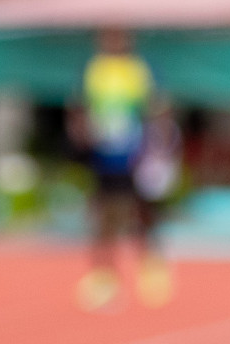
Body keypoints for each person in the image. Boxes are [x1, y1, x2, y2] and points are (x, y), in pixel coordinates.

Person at [74, 28, 172, 311]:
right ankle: (104, 277)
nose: (113, 41)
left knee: (141, 212)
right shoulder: (95, 70)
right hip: (104, 155)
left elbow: (156, 107)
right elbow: (82, 106)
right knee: (103, 214)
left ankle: (150, 269)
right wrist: (83, 134)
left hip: (134, 153)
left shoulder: (137, 70)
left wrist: (159, 145)